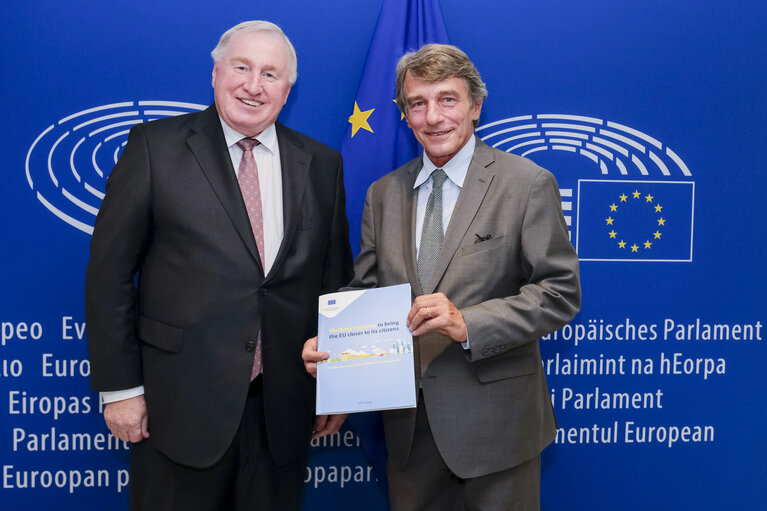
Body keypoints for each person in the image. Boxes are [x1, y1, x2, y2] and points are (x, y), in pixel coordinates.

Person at [85, 20, 353, 511]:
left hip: (283, 414)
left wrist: (339, 389)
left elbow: (334, 283)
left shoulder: (321, 163)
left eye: (271, 74)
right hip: (177, 409)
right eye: (242, 67)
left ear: (288, 88)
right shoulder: (153, 147)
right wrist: (120, 389)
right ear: (215, 73)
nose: (254, 85)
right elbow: (110, 275)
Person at [303, 44, 580, 511]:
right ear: (405, 114)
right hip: (408, 431)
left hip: (498, 431)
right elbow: (368, 291)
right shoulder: (383, 195)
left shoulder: (527, 183)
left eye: (447, 99)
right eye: (417, 103)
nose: (433, 117)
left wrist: (467, 322)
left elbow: (559, 293)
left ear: (475, 106)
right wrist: (335, 357)